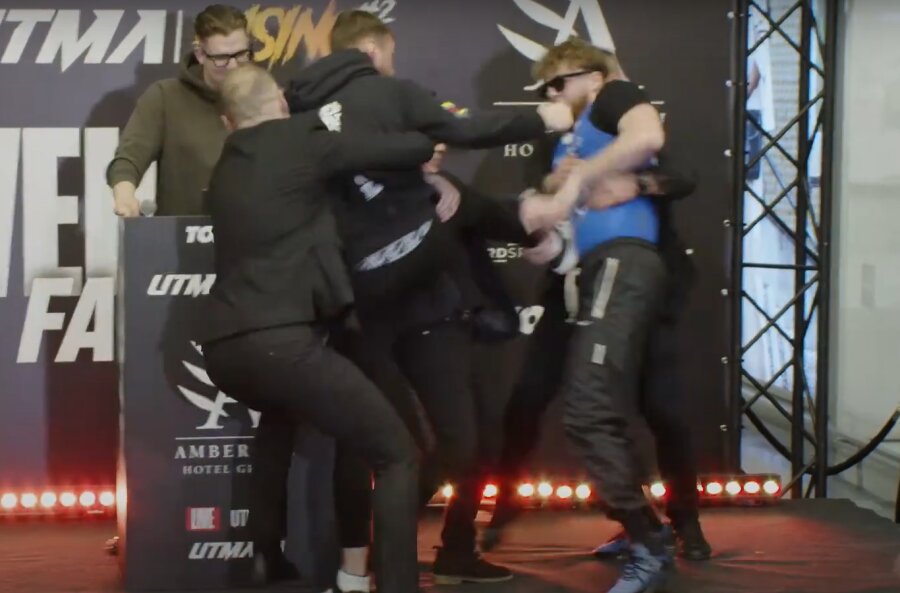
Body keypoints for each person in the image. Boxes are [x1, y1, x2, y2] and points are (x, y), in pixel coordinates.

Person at [285, 10, 573, 589]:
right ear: (373, 53)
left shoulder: (441, 185)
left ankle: (427, 549)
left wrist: (550, 235)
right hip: (362, 318)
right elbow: (461, 130)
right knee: (377, 448)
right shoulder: (326, 128)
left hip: (428, 317)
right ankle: (356, 566)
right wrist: (549, 117)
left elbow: (505, 217)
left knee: (459, 444)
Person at [195, 64, 437, 593]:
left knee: (277, 418)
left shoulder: (227, 169)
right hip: (281, 342)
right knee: (396, 455)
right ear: (282, 106)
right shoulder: (299, 140)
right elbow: (407, 148)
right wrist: (429, 136)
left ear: (227, 121)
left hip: (224, 350)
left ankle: (264, 554)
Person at [484, 49, 711, 565]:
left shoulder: (617, 114)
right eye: (543, 88)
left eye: (557, 83)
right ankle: (508, 509)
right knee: (532, 396)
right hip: (571, 281)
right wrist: (554, 186)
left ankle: (685, 522)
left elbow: (682, 173)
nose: (550, 95)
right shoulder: (556, 136)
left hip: (633, 279)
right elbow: (542, 197)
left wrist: (632, 182)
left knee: (661, 407)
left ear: (593, 78)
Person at [106, 4, 252, 216]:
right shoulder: (165, 97)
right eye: (221, 58)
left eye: (241, 55)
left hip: (255, 233)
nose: (233, 66)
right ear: (200, 54)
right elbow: (128, 159)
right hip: (184, 233)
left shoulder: (265, 97)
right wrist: (125, 197)